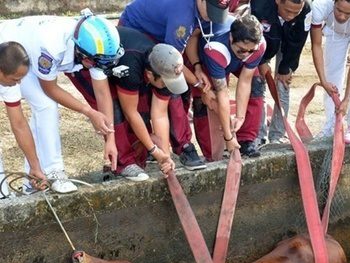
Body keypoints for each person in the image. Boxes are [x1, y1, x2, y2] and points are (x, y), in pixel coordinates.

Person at [0, 10, 123, 193]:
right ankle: (6, 189)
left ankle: (40, 177)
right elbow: (49, 89)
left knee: (46, 106)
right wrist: (88, 112)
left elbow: (102, 93)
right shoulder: (50, 47)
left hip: (25, 55)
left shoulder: (95, 51)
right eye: (95, 63)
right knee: (46, 103)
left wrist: (110, 139)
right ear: (83, 54)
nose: (98, 67)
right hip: (10, 54)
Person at [118, 0, 232, 170]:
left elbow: (192, 37)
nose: (211, 17)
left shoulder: (198, 11)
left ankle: (169, 147)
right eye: (211, 10)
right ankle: (143, 153)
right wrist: (199, 84)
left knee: (174, 90)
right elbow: (172, 65)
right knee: (144, 99)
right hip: (137, 31)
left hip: (160, 36)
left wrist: (197, 66)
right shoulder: (182, 17)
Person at [68, 27, 184, 179]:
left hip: (120, 65)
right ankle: (123, 163)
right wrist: (154, 150)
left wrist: (165, 155)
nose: (167, 86)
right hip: (88, 61)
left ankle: (138, 160)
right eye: (165, 83)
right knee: (114, 110)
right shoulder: (133, 67)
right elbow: (130, 113)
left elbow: (160, 115)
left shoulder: (164, 68)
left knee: (143, 110)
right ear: (149, 75)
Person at [194, 14, 266, 159]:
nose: (245, 54)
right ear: (231, 38)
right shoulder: (215, 49)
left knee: (256, 83)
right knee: (207, 100)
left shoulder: (258, 45)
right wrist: (228, 137)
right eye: (242, 49)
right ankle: (213, 151)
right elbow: (223, 92)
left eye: (250, 51)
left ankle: (246, 140)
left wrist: (240, 117)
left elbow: (245, 81)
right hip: (207, 61)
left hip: (229, 58)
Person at [311, 0, 350, 144]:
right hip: (335, 32)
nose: (341, 16)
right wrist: (323, 81)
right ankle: (331, 124)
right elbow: (316, 45)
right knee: (331, 74)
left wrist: (346, 99)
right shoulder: (320, 6)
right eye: (339, 10)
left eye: (348, 13)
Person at [251, 0, 312, 145]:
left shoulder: (306, 11)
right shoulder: (258, 6)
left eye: (295, 12)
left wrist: (286, 68)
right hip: (264, 41)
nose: (291, 16)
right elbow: (252, 38)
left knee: (283, 85)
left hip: (288, 43)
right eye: (288, 11)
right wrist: (261, 61)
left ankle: (278, 135)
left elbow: (299, 42)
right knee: (258, 84)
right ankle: (258, 135)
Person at [0, 42, 47, 198]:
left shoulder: (10, 84)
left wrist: (35, 166)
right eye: (15, 78)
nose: (19, 82)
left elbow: (19, 125)